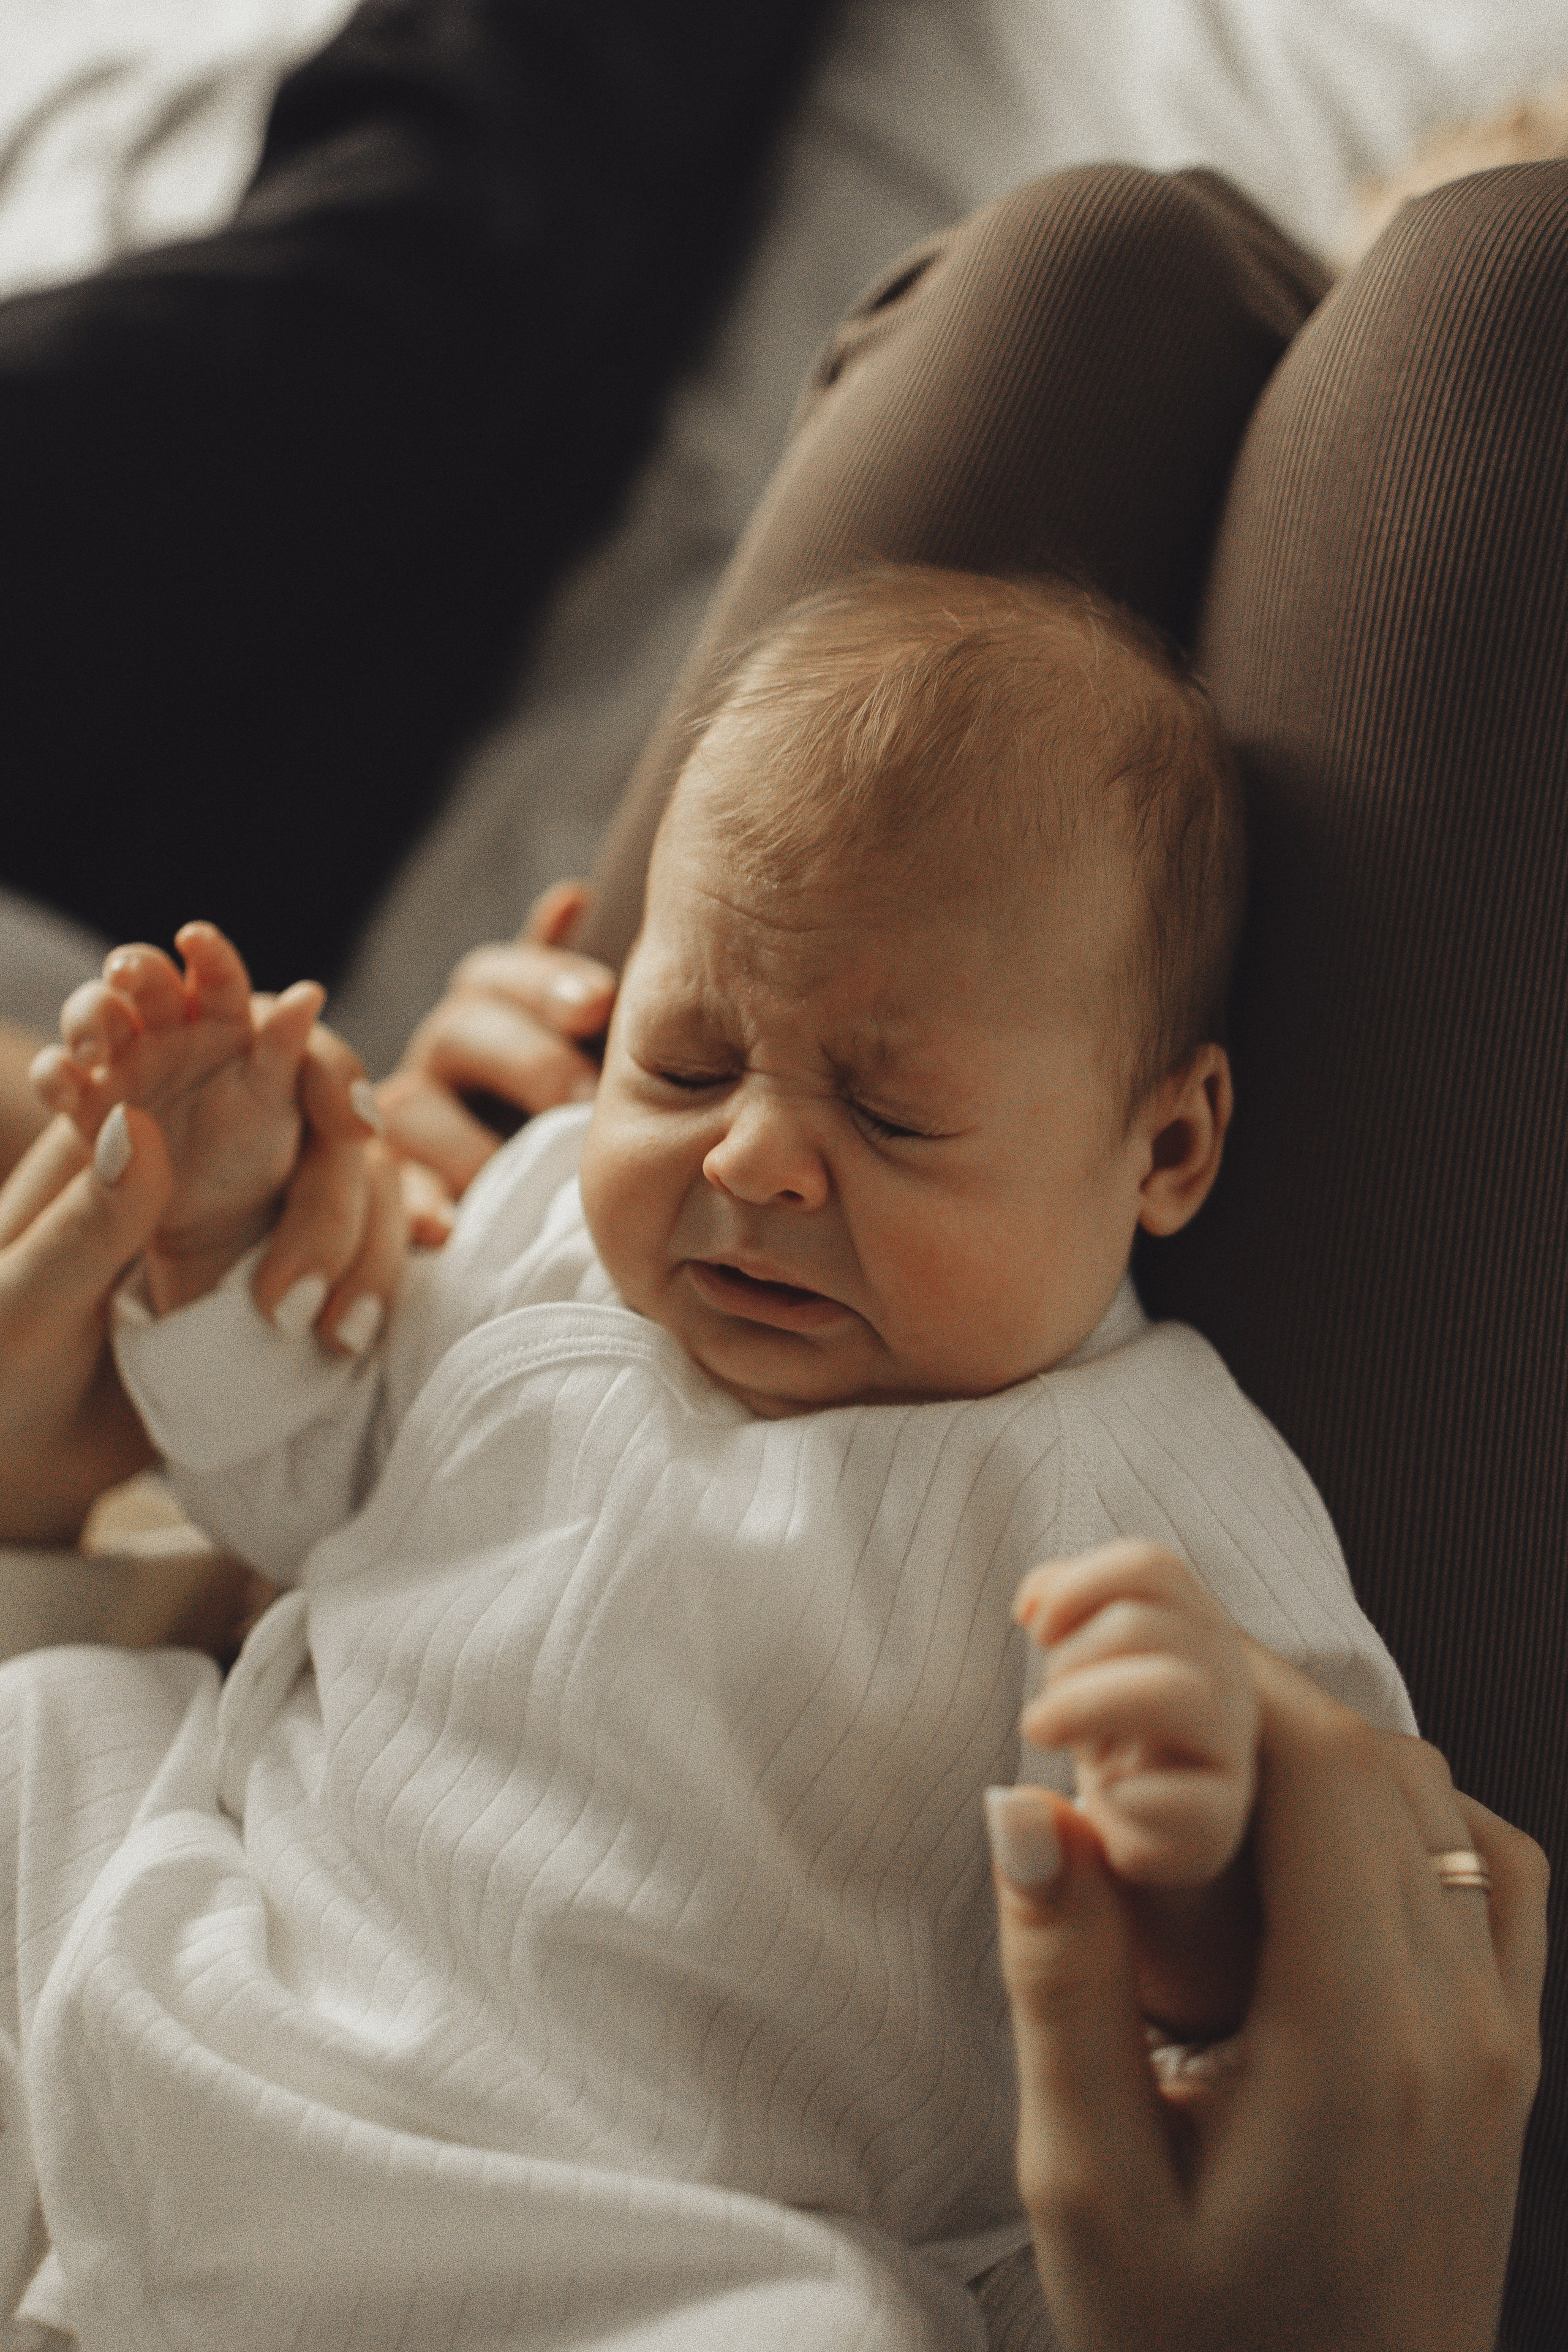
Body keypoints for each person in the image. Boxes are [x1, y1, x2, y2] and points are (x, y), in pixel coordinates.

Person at [9, 558, 1425, 2346]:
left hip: (651, 2231)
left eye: (890, 1109)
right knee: (51, 1734)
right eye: (684, 1064)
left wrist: (1208, 1864)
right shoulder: (540, 1229)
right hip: (216, 2002)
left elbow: (1362, 1922)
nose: (751, 1161)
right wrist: (219, 1241)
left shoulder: (1146, 1477)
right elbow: (298, 1478)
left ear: (1166, 1148)